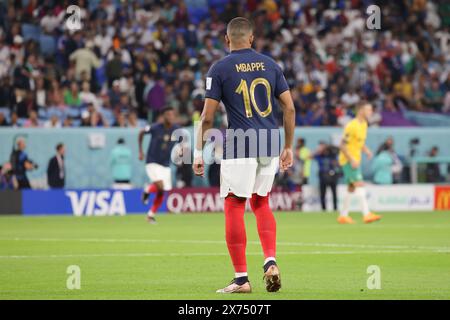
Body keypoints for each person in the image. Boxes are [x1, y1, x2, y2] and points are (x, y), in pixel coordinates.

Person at [193, 17, 295, 294]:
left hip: (240, 142)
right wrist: (288, 146)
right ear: (251, 38)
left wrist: (198, 151)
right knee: (261, 202)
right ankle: (270, 261)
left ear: (227, 40)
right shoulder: (271, 64)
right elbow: (289, 108)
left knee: (234, 205)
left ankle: (241, 280)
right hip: (270, 142)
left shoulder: (220, 68)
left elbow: (207, 117)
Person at [337, 102, 381, 224]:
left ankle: (343, 216)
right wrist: (351, 159)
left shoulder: (364, 124)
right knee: (359, 184)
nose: (371, 112)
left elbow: (359, 143)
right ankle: (366, 214)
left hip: (355, 159)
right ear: (360, 111)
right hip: (348, 160)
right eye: (368, 109)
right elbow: (342, 145)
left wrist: (366, 151)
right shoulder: (351, 126)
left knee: (351, 188)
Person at [138, 107, 180, 223]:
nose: (170, 117)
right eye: (168, 114)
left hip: (165, 164)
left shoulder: (176, 129)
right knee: (160, 186)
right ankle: (147, 189)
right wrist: (140, 151)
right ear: (163, 116)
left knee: (162, 191)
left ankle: (150, 215)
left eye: (172, 115)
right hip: (152, 161)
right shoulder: (155, 127)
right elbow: (141, 132)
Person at [313, 142, 339, 211]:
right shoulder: (320, 156)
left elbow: (337, 161)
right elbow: (310, 156)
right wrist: (319, 150)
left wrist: (328, 147)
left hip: (332, 176)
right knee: (323, 194)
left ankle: (335, 208)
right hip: (323, 176)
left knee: (334, 193)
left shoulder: (332, 155)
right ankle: (323, 209)